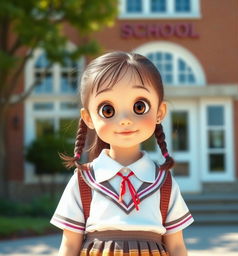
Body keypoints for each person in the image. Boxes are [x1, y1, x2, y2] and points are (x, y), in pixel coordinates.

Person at [50, 51, 194, 256]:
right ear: (88, 117)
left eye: (139, 106)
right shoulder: (83, 181)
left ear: (160, 112)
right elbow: (69, 246)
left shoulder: (164, 183)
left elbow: (177, 246)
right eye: (107, 109)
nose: (125, 119)